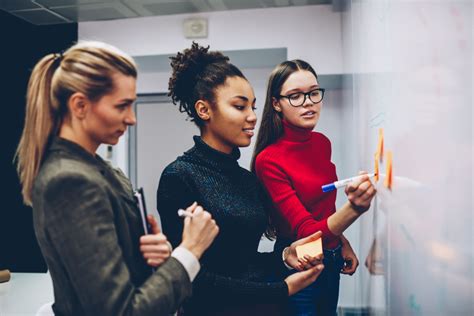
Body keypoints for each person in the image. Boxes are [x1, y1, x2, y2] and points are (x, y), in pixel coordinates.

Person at [15, 41, 219, 316]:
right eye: (122, 106)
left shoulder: (106, 172)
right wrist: (190, 252)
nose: (132, 119)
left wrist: (155, 258)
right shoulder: (69, 181)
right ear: (80, 106)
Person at [157, 43, 325, 316]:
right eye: (239, 106)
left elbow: (244, 263)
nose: (252, 116)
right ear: (204, 110)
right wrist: (282, 289)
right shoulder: (180, 176)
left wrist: (284, 258)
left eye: (253, 106)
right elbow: (191, 278)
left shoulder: (247, 180)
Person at [252, 59, 377, 315]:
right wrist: (354, 208)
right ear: (276, 103)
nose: (308, 102)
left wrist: (341, 243)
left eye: (313, 92)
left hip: (331, 255)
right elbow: (307, 231)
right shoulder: (268, 160)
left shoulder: (321, 143)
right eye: (295, 96)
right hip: (299, 260)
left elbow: (321, 208)